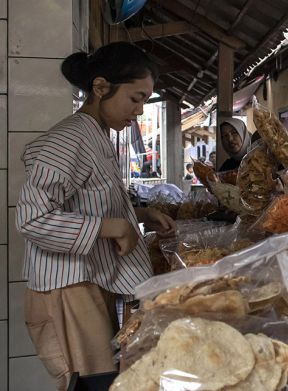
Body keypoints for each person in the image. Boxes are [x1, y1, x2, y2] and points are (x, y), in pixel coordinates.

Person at [15, 42, 176, 390]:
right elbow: (31, 219)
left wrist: (140, 213)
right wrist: (111, 226)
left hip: (85, 280)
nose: (139, 111)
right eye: (135, 98)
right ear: (101, 87)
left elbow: (86, 204)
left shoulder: (96, 134)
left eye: (145, 101)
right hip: (65, 286)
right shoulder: (69, 139)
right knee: (92, 381)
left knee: (103, 375)